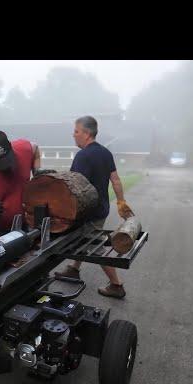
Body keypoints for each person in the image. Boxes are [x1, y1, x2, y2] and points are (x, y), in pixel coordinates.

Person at [54, 116, 135, 299]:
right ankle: (73, 269)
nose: (73, 135)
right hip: (102, 209)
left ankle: (116, 285)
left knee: (94, 246)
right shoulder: (106, 153)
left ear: (87, 133)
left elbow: (72, 188)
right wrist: (120, 201)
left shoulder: (83, 156)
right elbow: (115, 180)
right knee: (84, 239)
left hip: (87, 212)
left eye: (76, 131)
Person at [0, 130, 55, 234]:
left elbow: (35, 148)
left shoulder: (23, 149)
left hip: (24, 224)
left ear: (10, 147)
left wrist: (37, 170)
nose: (6, 167)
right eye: (0, 163)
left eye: (7, 159)